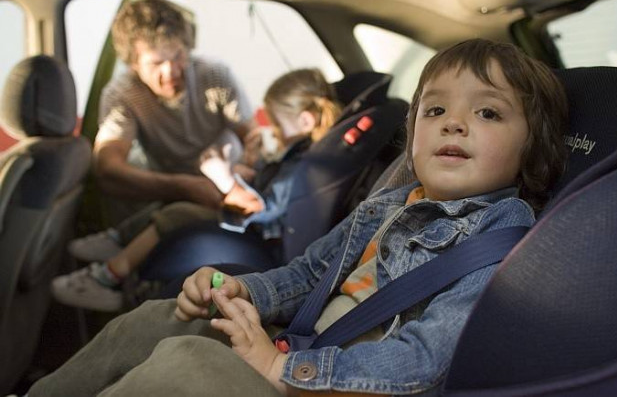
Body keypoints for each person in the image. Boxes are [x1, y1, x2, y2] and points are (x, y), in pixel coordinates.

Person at [30, 39, 568, 396]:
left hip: (338, 382)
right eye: (435, 110)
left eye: (488, 112)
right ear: (414, 132)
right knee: (164, 318)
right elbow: (309, 274)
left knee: (188, 365)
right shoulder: (390, 202)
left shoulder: (498, 231)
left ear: (533, 147)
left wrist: (282, 370)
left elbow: (426, 359)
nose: (454, 124)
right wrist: (243, 293)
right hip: (303, 349)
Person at [51, 68, 342, 313]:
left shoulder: (309, 163)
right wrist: (249, 170)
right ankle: (119, 241)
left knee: (180, 212)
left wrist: (226, 179)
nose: (273, 131)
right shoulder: (305, 155)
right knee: (183, 194)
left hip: (265, 240)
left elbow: (263, 210)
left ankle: (109, 275)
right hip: (258, 228)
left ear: (305, 121)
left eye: (276, 124)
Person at [69, 0, 256, 259]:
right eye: (156, 63)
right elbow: (108, 167)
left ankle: (119, 245)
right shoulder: (122, 95)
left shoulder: (214, 76)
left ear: (188, 47)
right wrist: (183, 186)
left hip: (225, 179)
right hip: (167, 183)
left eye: (178, 56)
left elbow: (250, 135)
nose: (171, 72)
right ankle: (120, 243)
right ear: (132, 63)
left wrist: (246, 164)